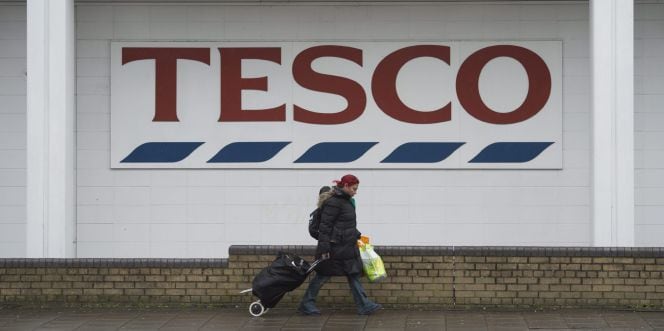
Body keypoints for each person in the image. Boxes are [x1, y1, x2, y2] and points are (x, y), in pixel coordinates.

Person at [298, 174, 382, 316]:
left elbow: (345, 224)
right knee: (322, 275)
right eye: (354, 188)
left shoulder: (346, 201)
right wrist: (324, 249)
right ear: (346, 186)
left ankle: (364, 305)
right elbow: (325, 227)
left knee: (353, 274)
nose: (356, 191)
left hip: (346, 247)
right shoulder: (334, 202)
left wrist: (357, 235)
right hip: (334, 249)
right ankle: (306, 303)